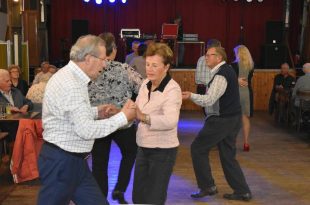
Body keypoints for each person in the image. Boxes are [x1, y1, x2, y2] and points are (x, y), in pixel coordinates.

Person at [37, 35, 136, 205]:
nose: (105, 65)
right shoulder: (72, 84)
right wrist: (123, 117)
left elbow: (71, 114)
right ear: (89, 58)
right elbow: (86, 130)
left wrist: (97, 112)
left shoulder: (73, 78)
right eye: (103, 60)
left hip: (74, 162)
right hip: (62, 163)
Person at [182, 46, 252, 202]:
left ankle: (207, 186)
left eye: (209, 55)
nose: (205, 58)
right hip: (232, 119)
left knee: (198, 148)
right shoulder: (227, 70)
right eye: (206, 55)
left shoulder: (221, 75)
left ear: (219, 58)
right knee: (228, 156)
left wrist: (190, 95)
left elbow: (209, 99)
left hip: (222, 120)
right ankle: (242, 191)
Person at [88, 32, 143, 204]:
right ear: (114, 50)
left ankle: (100, 200)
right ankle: (120, 188)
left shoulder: (89, 71)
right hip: (123, 122)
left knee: (99, 164)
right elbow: (144, 87)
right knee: (131, 152)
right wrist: (132, 104)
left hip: (99, 122)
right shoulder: (124, 68)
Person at [132, 43, 182, 205]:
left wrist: (144, 117)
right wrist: (124, 111)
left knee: (154, 198)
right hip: (143, 146)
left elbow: (170, 121)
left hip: (163, 151)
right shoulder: (145, 84)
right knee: (138, 196)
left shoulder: (172, 89)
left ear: (166, 67)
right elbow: (138, 109)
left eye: (155, 65)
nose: (149, 69)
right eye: (147, 64)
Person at [231, 45, 254, 152]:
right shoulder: (251, 65)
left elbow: (230, 80)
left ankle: (232, 143)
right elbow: (248, 80)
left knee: (234, 119)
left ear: (238, 53)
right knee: (245, 118)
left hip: (236, 93)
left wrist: (236, 79)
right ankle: (246, 143)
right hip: (247, 93)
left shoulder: (234, 65)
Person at [0, 69, 33, 144]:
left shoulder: (16, 91)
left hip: (22, 123)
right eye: (7, 81)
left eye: (10, 80)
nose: (10, 83)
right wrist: (8, 109)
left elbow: (29, 102)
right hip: (6, 126)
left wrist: (26, 106)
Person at [195, 39, 222, 116]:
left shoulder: (201, 59)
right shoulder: (218, 59)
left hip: (201, 88)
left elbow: (197, 78)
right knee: (213, 114)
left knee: (208, 113)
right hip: (211, 89)